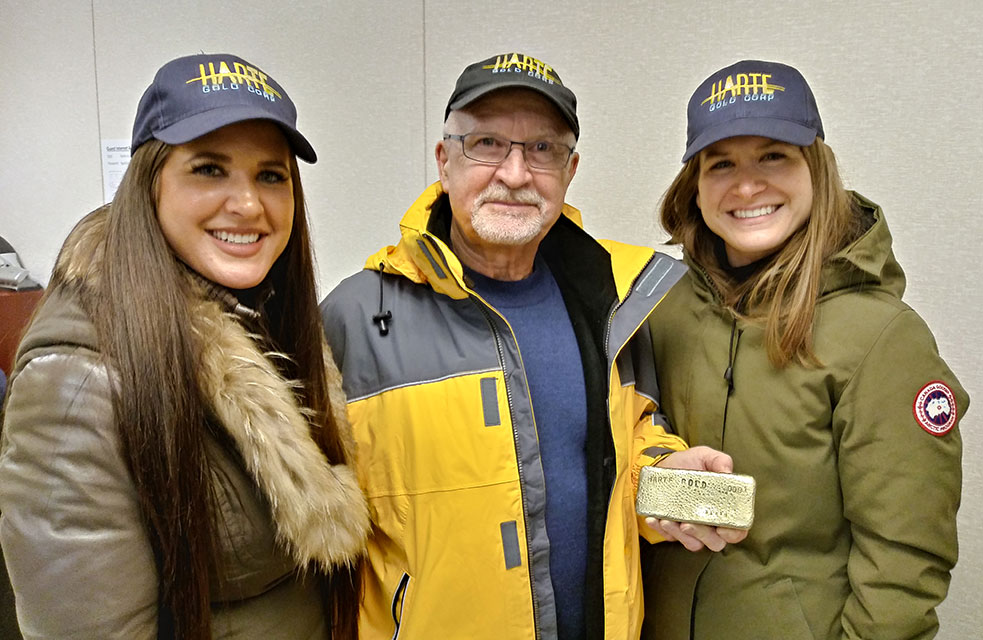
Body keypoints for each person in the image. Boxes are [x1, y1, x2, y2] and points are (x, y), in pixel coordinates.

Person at [320, 52, 744, 640]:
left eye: (542, 149)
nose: (515, 174)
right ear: (445, 162)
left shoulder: (614, 301)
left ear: (570, 171)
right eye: (487, 143)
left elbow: (624, 443)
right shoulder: (355, 318)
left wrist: (665, 471)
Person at [0, 53, 370, 639]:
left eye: (270, 175)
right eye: (208, 169)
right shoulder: (77, 376)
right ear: (149, 186)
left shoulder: (267, 317)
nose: (248, 205)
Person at [640, 59, 968, 640]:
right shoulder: (655, 309)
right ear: (694, 184)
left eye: (773, 156)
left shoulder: (882, 339)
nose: (747, 186)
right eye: (722, 164)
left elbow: (903, 565)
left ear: (816, 165)